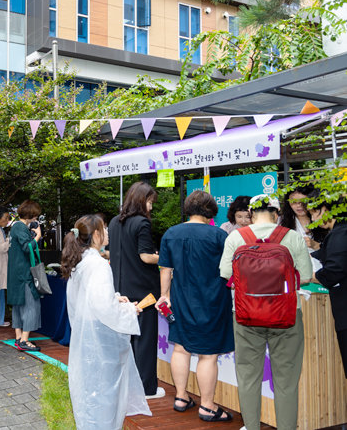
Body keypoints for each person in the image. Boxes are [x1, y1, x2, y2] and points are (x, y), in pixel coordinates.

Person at [219, 195, 312, 430]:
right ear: (277, 212)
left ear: (251, 213)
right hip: (287, 316)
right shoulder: (292, 237)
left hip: (246, 316)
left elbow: (226, 273)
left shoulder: (236, 237)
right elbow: (307, 277)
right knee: (286, 382)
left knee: (248, 379)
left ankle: (251, 427)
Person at [63, 214, 150, 429]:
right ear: (96, 235)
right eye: (105, 228)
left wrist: (114, 298)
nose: (108, 232)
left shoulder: (81, 261)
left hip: (87, 338)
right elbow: (104, 308)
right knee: (105, 396)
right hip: (101, 342)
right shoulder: (99, 265)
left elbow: (82, 300)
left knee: (91, 395)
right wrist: (130, 309)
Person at [156, 191, 234, 421]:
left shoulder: (171, 233)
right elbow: (229, 270)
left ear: (188, 208)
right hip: (212, 300)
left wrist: (164, 295)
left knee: (180, 347)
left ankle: (181, 397)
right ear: (211, 211)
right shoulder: (219, 235)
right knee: (208, 355)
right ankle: (207, 406)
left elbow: (165, 269)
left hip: (180, 298)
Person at [108, 182, 164, 399]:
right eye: (150, 202)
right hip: (144, 292)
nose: (151, 207)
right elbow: (146, 256)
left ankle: (125, 385)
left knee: (125, 341)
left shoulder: (114, 222)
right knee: (145, 341)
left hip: (120, 290)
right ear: (141, 200)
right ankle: (146, 389)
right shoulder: (141, 223)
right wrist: (168, 257)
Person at [308, 196, 347, 378]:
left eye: (315, 213)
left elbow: (333, 271)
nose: (314, 219)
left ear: (326, 209)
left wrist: (306, 277)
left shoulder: (340, 233)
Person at [7, 200, 43, 352]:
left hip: (15, 272)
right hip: (24, 274)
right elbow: (27, 248)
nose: (36, 219)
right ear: (30, 215)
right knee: (30, 305)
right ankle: (25, 340)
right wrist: (38, 237)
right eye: (35, 216)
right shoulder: (21, 228)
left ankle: (18, 337)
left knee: (18, 306)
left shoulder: (15, 227)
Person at [280, 184, 325, 271]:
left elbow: (334, 251)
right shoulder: (280, 222)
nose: (298, 206)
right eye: (293, 202)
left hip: (322, 273)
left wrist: (316, 246)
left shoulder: (324, 221)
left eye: (303, 202)